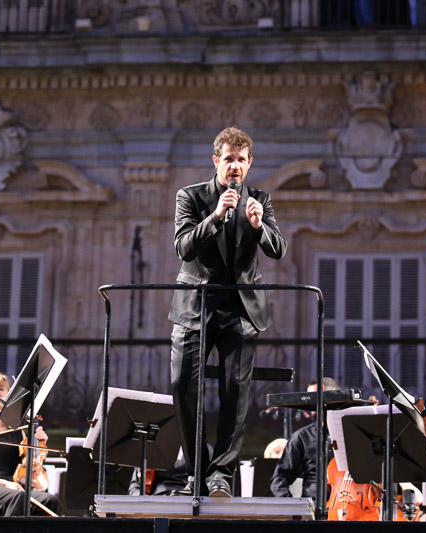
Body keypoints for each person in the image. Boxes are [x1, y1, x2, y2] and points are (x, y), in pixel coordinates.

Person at [169, 126, 287, 497]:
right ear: (216, 161)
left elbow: (278, 248)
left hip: (240, 308)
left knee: (235, 391)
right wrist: (217, 215)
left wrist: (259, 226)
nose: (235, 165)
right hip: (196, 305)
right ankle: (196, 470)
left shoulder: (260, 200)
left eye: (241, 159)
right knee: (182, 384)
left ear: (249, 163)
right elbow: (183, 247)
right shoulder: (191, 197)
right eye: (228, 159)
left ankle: (221, 474)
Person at [0, 372, 61, 516]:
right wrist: (4, 484)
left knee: (50, 501)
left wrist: (40, 446)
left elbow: (28, 468)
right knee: (17, 497)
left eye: (1, 389)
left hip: (14, 488)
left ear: (9, 397)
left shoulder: (18, 432)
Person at [270, 377, 340, 499]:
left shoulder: (351, 432)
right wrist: (292, 506)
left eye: (317, 396)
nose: (311, 401)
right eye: (309, 397)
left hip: (351, 503)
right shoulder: (301, 437)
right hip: (314, 505)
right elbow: (279, 479)